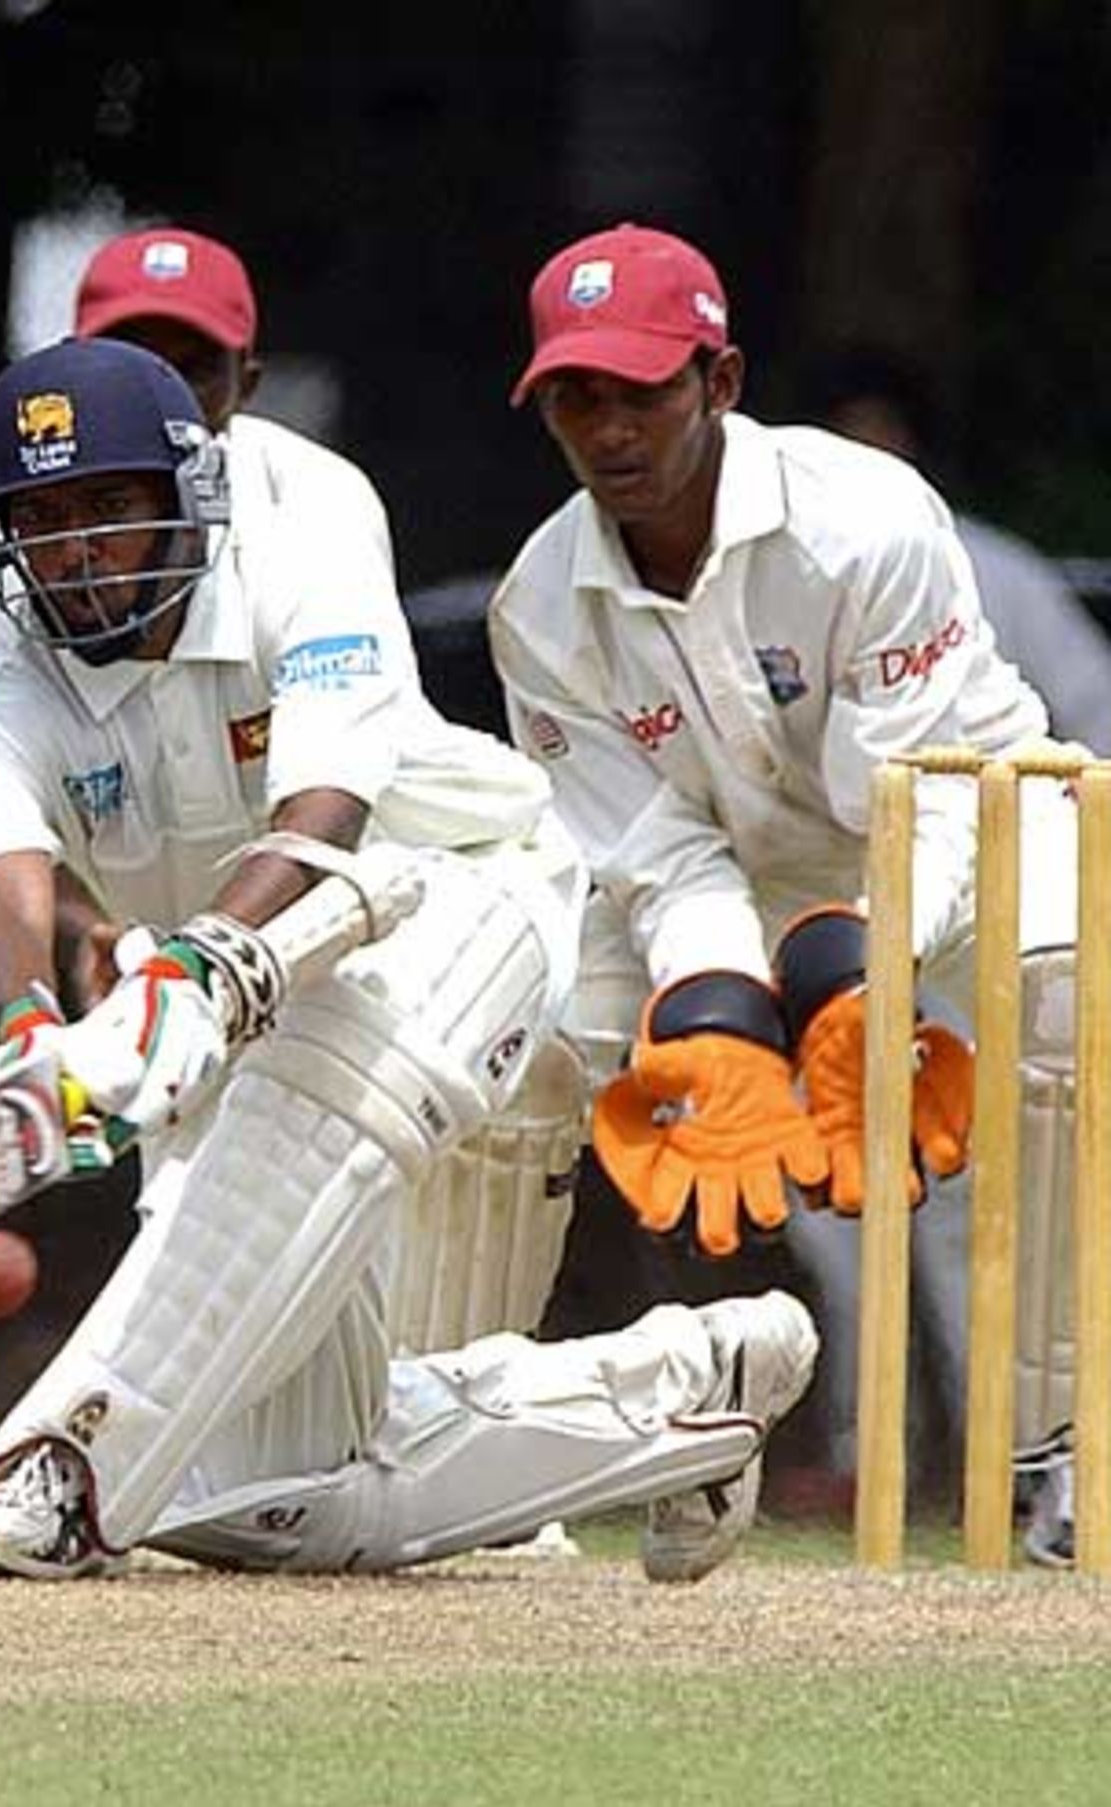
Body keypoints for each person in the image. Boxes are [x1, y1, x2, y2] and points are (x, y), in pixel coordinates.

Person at [0, 333, 819, 1582]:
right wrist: (32, 1034)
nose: (74, 550)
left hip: (448, 901)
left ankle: (65, 1468)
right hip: (223, 1011)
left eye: (106, 508)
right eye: (42, 518)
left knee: (307, 1092)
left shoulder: (305, 560)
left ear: (186, 495)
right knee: (280, 1497)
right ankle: (680, 1394)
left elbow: (323, 817)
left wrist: (190, 970)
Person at [488, 221, 1085, 1566]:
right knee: (509, 1041)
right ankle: (457, 1440)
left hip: (982, 818)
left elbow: (919, 791)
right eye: (576, 395)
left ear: (721, 379)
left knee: (1059, 1019)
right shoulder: (540, 605)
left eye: (641, 388)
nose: (608, 428)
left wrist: (847, 967)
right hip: (752, 881)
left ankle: (1065, 1453)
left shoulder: (860, 518)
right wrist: (710, 1003)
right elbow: (653, 852)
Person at [0, 226, 284, 1250]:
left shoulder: (303, 512)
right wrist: (72, 958)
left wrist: (177, 952)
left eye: (190, 366)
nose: (154, 387)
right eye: (129, 354)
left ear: (242, 382)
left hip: (218, 841)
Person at [803, 345, 1111, 756]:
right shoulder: (783, 572)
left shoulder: (999, 572)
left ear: (910, 445)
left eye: (880, 435)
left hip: (988, 808)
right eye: (848, 440)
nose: (866, 458)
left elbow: (1097, 710)